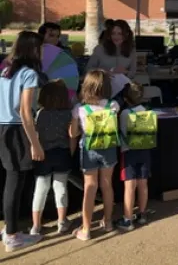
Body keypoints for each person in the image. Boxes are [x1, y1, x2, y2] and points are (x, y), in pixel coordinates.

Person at [0, 31, 45, 252]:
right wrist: (35, 143)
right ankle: (12, 235)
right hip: (17, 129)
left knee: (12, 180)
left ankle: (10, 228)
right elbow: (26, 112)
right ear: (33, 49)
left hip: (3, 127)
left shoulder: (5, 69)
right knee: (15, 182)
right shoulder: (28, 74)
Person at [72, 70, 120, 241]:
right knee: (107, 185)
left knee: (89, 187)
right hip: (109, 148)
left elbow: (73, 133)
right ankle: (107, 222)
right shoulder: (113, 105)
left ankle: (86, 228)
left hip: (88, 149)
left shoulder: (80, 109)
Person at [31, 79, 79, 235]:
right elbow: (72, 137)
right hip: (62, 152)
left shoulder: (40, 113)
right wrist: (70, 153)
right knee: (61, 187)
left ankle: (36, 225)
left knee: (41, 188)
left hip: (44, 153)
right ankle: (62, 221)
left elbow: (36, 135)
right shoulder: (68, 114)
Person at [115, 83, 156, 231]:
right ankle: (142, 213)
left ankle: (127, 219)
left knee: (129, 186)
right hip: (145, 151)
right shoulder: (146, 110)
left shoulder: (125, 113)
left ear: (125, 98)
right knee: (143, 183)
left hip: (129, 153)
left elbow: (121, 132)